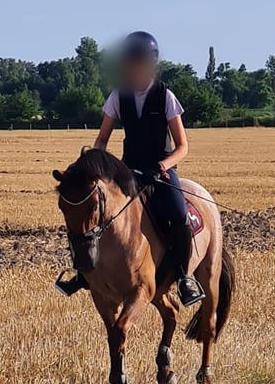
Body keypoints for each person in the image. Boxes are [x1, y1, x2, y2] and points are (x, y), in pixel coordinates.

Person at [55, 31, 205, 307]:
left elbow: (182, 147)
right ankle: (82, 274)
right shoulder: (118, 96)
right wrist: (93, 167)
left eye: (141, 63)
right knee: (92, 216)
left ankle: (184, 277)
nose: (136, 68)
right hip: (128, 172)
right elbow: (102, 139)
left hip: (161, 171)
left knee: (178, 213)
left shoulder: (165, 97)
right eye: (131, 63)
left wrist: (161, 167)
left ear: (151, 64)